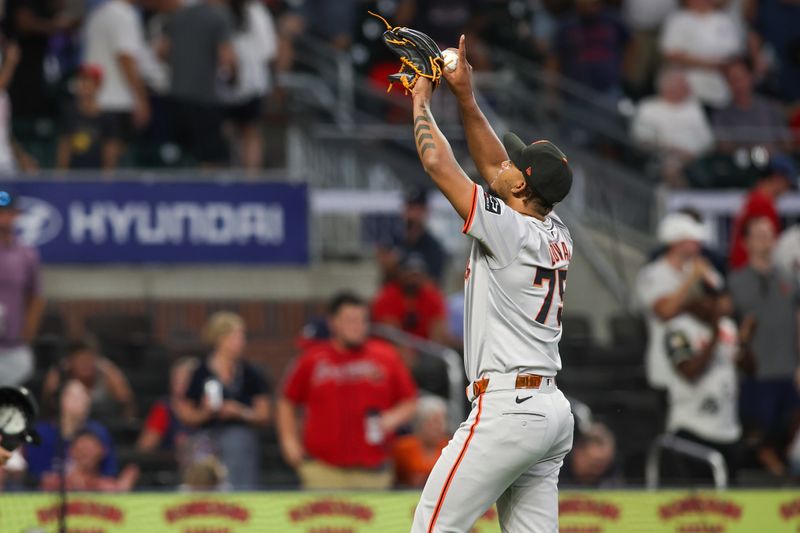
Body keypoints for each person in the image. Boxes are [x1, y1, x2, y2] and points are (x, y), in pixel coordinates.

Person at [407, 36, 575, 532]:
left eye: (513, 165)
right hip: (549, 411)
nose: (503, 163)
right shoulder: (553, 229)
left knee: (432, 527)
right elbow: (493, 167)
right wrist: (465, 98)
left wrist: (421, 97)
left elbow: (439, 163)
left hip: (509, 407)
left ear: (522, 186)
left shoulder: (511, 229)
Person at [277, 292, 417, 490]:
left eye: (362, 320)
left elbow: (410, 400)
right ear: (333, 323)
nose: (357, 327)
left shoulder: (386, 356)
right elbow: (287, 400)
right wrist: (289, 441)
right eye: (350, 320)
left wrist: (392, 418)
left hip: (374, 469)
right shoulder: (312, 359)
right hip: (323, 469)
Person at [728, 217, 800, 477]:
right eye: (758, 235)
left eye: (769, 234)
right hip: (754, 376)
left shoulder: (789, 281)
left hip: (787, 371)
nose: (765, 240)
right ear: (746, 242)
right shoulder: (735, 282)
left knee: (787, 438)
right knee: (757, 441)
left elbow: (797, 323)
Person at [662, 290, 753, 482]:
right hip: (692, 428)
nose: (718, 306)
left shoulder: (728, 327)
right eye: (712, 300)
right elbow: (689, 372)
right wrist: (714, 333)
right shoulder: (678, 329)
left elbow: (750, 370)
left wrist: (744, 343)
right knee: (697, 501)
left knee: (729, 503)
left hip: (727, 429)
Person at [176, 311, 271, 490]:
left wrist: (240, 412)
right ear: (221, 338)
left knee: (237, 441)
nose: (242, 341)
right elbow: (186, 413)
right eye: (236, 336)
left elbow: (264, 413)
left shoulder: (251, 373)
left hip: (239, 438)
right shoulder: (200, 372)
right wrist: (206, 412)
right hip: (207, 437)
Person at [636, 212, 724, 391]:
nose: (698, 245)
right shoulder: (653, 273)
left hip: (699, 364)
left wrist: (706, 281)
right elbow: (665, 311)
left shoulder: (698, 268)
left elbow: (723, 302)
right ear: (677, 243)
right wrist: (691, 279)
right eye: (692, 240)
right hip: (667, 367)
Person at [160, 0, 236, 167]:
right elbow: (226, 58)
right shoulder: (219, 17)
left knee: (178, 155)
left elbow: (162, 51)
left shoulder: (177, 16)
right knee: (209, 158)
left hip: (176, 94)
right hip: (206, 97)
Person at [84, 0, 150, 170]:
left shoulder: (97, 14)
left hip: (94, 102)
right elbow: (125, 57)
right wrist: (141, 98)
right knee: (110, 170)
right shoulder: (124, 15)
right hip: (117, 102)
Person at [630, 68, 714, 185]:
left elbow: (708, 141)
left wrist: (692, 155)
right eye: (683, 85)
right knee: (670, 168)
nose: (688, 88)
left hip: (696, 160)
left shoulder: (694, 107)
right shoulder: (648, 107)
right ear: (668, 87)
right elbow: (641, 139)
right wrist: (673, 150)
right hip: (661, 157)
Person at [25, 380, 118, 482]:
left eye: (85, 396)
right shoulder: (41, 434)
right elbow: (37, 476)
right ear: (58, 401)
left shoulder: (99, 432)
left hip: (91, 493)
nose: (83, 401)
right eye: (75, 396)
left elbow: (109, 474)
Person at [222, 0, 277, 171]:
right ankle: (231, 175)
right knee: (233, 132)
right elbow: (269, 50)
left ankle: (251, 178)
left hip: (250, 83)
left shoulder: (255, 11)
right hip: (223, 85)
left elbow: (269, 49)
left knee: (250, 131)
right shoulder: (218, 10)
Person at [659, 0, 743, 108]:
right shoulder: (677, 19)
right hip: (686, 86)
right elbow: (671, 54)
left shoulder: (724, 20)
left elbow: (733, 54)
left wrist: (697, 61)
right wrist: (710, 64)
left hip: (720, 85)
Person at [0, 188, 44, 387]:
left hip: (14, 346)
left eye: (8, 212)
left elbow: (36, 297)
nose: (4, 217)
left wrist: (28, 333)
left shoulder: (27, 255)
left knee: (14, 407)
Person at [41, 338, 136, 421]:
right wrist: (59, 370)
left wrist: (108, 369)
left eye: (89, 360)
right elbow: (47, 402)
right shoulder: (61, 374)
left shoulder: (106, 374)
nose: (86, 365)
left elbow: (126, 402)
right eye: (81, 360)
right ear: (70, 362)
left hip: (102, 428)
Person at [728, 155, 795, 270]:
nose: (787, 189)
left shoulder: (755, 197)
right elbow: (764, 243)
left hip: (743, 266)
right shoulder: (762, 203)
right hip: (750, 268)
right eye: (787, 183)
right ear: (777, 179)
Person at [713, 59, 792, 154]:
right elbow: (725, 149)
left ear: (750, 78)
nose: (738, 86)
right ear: (727, 84)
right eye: (732, 81)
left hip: (776, 161)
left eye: (741, 79)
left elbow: (786, 143)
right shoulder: (721, 116)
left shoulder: (772, 107)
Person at [376, 188, 448, 285]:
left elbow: (433, 284)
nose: (412, 214)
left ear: (425, 210)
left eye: (417, 208)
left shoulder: (433, 247)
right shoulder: (392, 240)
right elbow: (385, 276)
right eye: (410, 207)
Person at [371, 253, 449, 343]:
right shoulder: (386, 296)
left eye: (418, 273)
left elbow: (439, 336)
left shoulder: (433, 296)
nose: (413, 278)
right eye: (409, 272)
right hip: (391, 349)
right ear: (399, 273)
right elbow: (392, 337)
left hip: (426, 350)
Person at [40, 429, 140, 492]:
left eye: (90, 450)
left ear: (103, 452)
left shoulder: (107, 485)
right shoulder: (55, 482)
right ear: (71, 451)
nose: (85, 455)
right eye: (81, 450)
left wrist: (122, 488)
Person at [136, 357, 197, 455]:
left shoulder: (206, 409)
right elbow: (144, 448)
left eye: (186, 380)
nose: (180, 385)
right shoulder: (163, 409)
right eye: (176, 380)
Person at [392, 395, 449, 488]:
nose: (440, 427)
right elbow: (396, 480)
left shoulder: (450, 446)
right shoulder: (403, 447)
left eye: (442, 421)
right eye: (434, 421)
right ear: (420, 423)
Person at [56, 65, 105, 170]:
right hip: (73, 178)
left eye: (87, 80)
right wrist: (61, 178)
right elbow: (64, 148)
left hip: (98, 179)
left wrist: (106, 182)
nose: (82, 84)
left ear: (97, 84)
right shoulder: (68, 113)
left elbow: (110, 153)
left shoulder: (106, 117)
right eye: (80, 79)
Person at [559, 422, 618, 487]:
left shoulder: (610, 473)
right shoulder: (555, 468)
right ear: (578, 453)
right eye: (594, 464)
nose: (597, 471)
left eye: (604, 465)